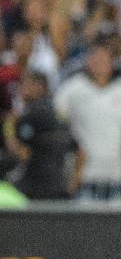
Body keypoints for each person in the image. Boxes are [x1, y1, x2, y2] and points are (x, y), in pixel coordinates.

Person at [53, 41, 121, 199]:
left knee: (117, 222)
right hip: (84, 177)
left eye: (104, 60)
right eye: (95, 59)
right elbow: (55, 117)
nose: (100, 64)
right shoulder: (73, 88)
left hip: (115, 177)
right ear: (88, 62)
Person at [2, 71, 70, 199]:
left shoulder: (31, 115)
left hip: (35, 187)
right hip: (59, 185)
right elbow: (78, 150)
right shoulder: (57, 113)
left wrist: (9, 127)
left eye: (24, 84)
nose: (20, 88)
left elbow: (23, 154)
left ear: (38, 87)